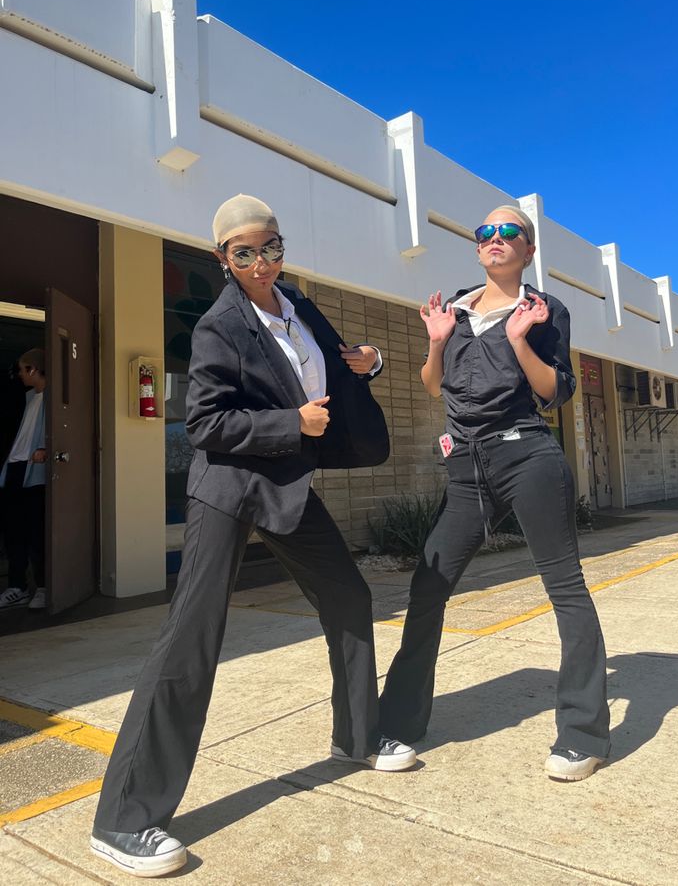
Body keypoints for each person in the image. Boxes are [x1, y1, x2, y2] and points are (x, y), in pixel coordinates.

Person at [90, 195, 416, 878]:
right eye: (245, 252)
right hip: (228, 489)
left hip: (287, 484)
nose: (262, 261)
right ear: (224, 260)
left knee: (350, 598)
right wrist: (290, 424)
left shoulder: (297, 305)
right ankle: (124, 818)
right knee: (191, 640)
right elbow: (205, 424)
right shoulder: (218, 327)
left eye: (271, 246)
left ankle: (355, 736)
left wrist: (372, 362)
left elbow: (335, 359)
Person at [378, 204, 610, 782]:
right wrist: (435, 342)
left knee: (565, 587)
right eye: (486, 232)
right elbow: (436, 386)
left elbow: (556, 391)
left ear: (529, 251)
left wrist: (520, 341)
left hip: (526, 453)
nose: (496, 239)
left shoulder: (543, 309)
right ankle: (399, 721)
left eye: (511, 232)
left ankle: (583, 734)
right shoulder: (453, 310)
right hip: (467, 468)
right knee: (427, 583)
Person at [0, 348, 47, 611]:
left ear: (32, 369)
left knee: (36, 532)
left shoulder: (54, 399)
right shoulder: (27, 398)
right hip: (15, 470)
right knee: (13, 532)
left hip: (35, 472)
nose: (19, 375)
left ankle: (43, 586)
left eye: (21, 369)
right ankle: (16, 587)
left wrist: (45, 450)